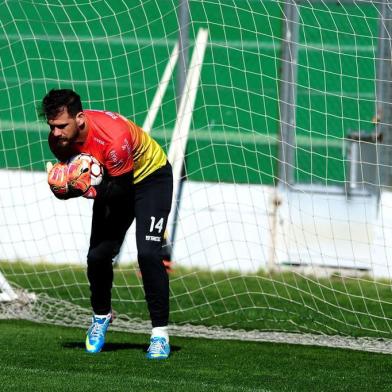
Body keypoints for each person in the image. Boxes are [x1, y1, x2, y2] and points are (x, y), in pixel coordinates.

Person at [42, 88, 173, 359]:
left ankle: (160, 334)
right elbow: (79, 183)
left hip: (150, 179)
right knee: (98, 256)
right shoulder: (58, 141)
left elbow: (122, 190)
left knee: (148, 254)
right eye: (51, 126)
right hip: (113, 184)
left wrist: (86, 190)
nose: (55, 133)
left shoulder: (114, 137)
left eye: (61, 126)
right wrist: (63, 188)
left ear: (80, 118)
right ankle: (101, 318)